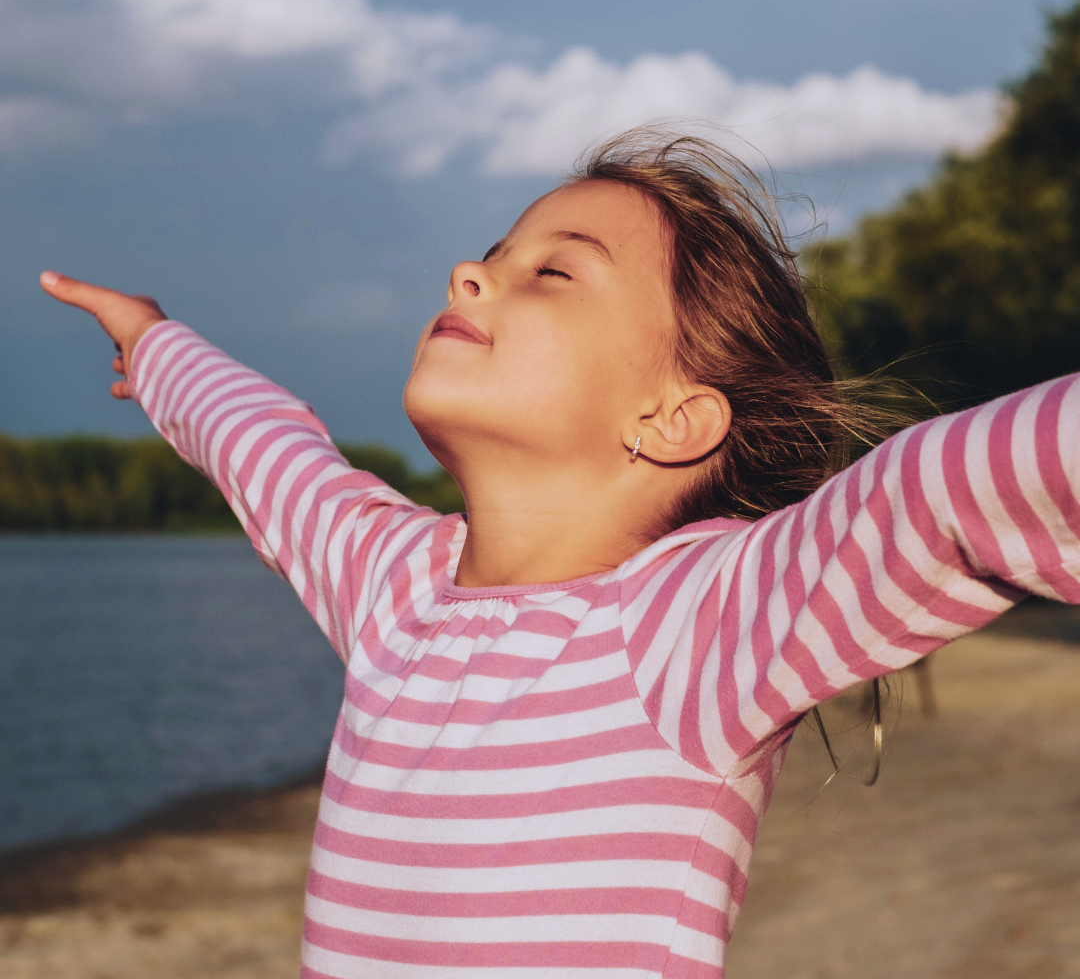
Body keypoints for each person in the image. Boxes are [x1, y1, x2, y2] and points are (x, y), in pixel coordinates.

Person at [40, 129, 1080, 979]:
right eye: (492, 255)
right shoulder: (395, 589)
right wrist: (157, 346)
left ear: (671, 418)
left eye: (550, 270)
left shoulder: (696, 621)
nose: (470, 274)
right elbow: (265, 453)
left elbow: (934, 494)